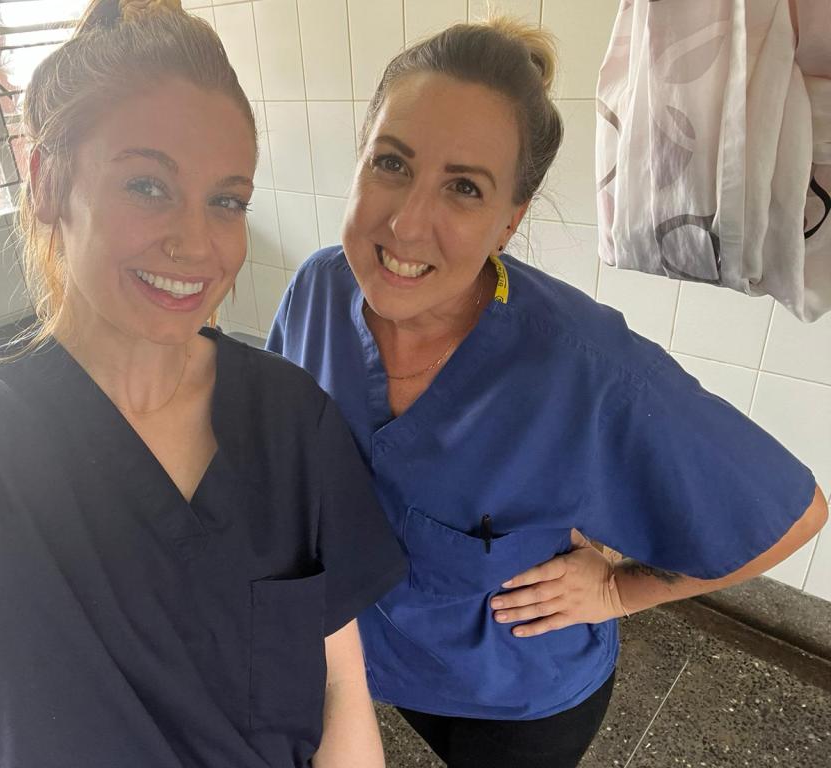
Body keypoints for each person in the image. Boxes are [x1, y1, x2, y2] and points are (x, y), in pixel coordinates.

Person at [0, 2, 406, 766]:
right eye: (147, 185)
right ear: (47, 182)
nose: (195, 242)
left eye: (226, 200)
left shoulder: (290, 418)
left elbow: (340, 685)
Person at [267, 18, 828, 768]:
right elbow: (281, 448)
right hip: (362, 659)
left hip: (514, 704)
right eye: (391, 163)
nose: (405, 223)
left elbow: (794, 514)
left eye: (464, 187)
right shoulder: (316, 289)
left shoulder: (583, 368)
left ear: (510, 221)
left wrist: (617, 594)